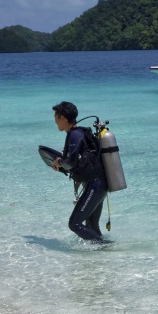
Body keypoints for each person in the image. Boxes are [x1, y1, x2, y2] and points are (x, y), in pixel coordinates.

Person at [51, 100, 106, 241]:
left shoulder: (75, 135)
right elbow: (80, 163)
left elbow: (71, 161)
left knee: (74, 224)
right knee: (92, 226)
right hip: (99, 184)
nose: (55, 121)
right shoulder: (80, 133)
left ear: (62, 117)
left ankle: (106, 247)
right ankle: (103, 258)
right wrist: (61, 166)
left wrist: (59, 162)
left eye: (56, 117)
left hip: (95, 185)